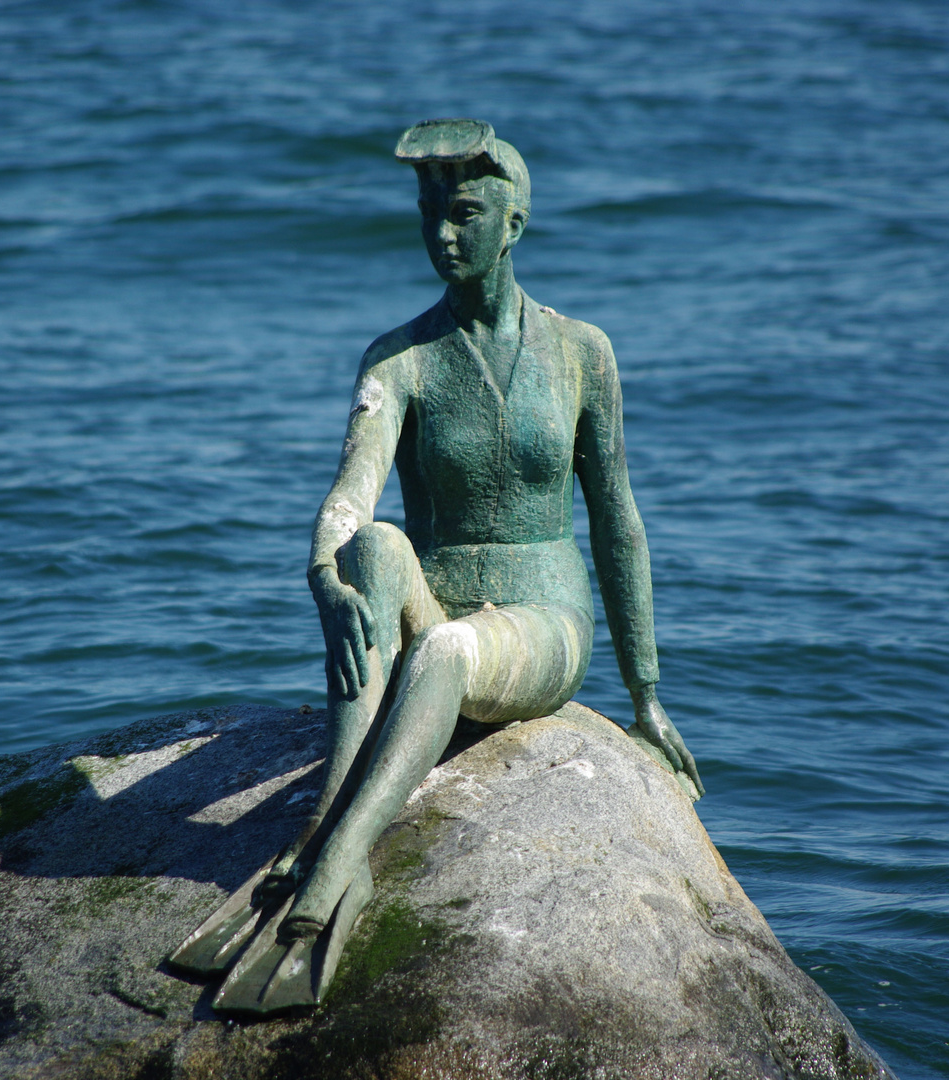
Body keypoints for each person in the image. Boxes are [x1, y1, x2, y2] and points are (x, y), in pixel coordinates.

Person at [171, 118, 702, 1014]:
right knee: (378, 545)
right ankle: (325, 812)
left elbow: (618, 523)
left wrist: (645, 694)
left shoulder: (583, 354)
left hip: (542, 624)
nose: (442, 235)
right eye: (428, 213)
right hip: (436, 605)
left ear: (514, 224)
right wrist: (326, 581)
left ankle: (344, 864)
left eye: (463, 213)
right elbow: (352, 492)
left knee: (448, 652)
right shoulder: (401, 358)